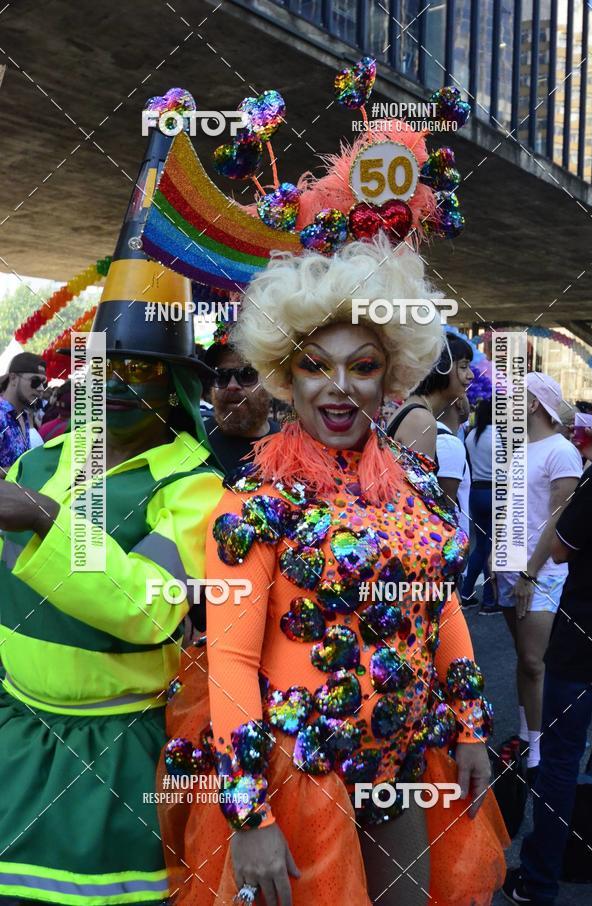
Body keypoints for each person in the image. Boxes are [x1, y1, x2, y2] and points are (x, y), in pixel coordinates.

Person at [158, 236, 508, 906]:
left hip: (404, 766)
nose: (340, 387)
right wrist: (249, 815)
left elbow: (443, 606)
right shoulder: (254, 504)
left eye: (363, 365)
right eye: (317, 366)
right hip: (300, 780)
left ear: (391, 376)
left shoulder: (417, 486)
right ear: (288, 378)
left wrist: (468, 726)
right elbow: (229, 663)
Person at [0, 111, 224, 904]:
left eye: (145, 368)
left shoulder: (193, 487)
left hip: (115, 758)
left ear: (180, 388)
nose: (121, 381)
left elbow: (151, 609)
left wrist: (39, 521)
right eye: (108, 364)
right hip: (12, 737)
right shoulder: (40, 457)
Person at [503, 381, 592, 905]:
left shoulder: (575, 461)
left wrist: (531, 568)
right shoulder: (527, 448)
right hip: (538, 590)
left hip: (567, 610)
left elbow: (563, 535)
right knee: (528, 664)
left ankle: (539, 880)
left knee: (560, 754)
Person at [495, 373, 582, 778]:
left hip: (542, 571)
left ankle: (538, 751)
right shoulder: (514, 448)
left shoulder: (562, 450)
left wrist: (530, 572)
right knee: (523, 659)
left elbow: (559, 516)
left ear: (533, 404)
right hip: (511, 570)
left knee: (534, 661)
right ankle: (530, 739)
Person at [387, 331, 474, 463]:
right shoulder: (421, 420)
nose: (471, 375)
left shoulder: (415, 411)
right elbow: (416, 483)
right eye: (463, 367)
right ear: (441, 368)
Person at [202, 338, 280, 475]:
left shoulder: (290, 446)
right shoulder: (195, 442)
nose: (232, 386)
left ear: (270, 383)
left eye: (247, 374)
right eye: (222, 376)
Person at [462, 399, 501, 614]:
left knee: (482, 546)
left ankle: (466, 592)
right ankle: (489, 600)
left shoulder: (471, 436)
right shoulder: (500, 436)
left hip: (476, 493)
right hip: (496, 493)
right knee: (492, 548)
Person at [0, 352, 47, 477]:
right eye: (35, 381)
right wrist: (23, 468)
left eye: (44, 383)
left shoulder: (24, 416)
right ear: (13, 378)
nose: (41, 388)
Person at [436, 392, 472, 539]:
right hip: (450, 547)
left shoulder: (439, 437)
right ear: (459, 402)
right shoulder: (448, 443)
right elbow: (446, 510)